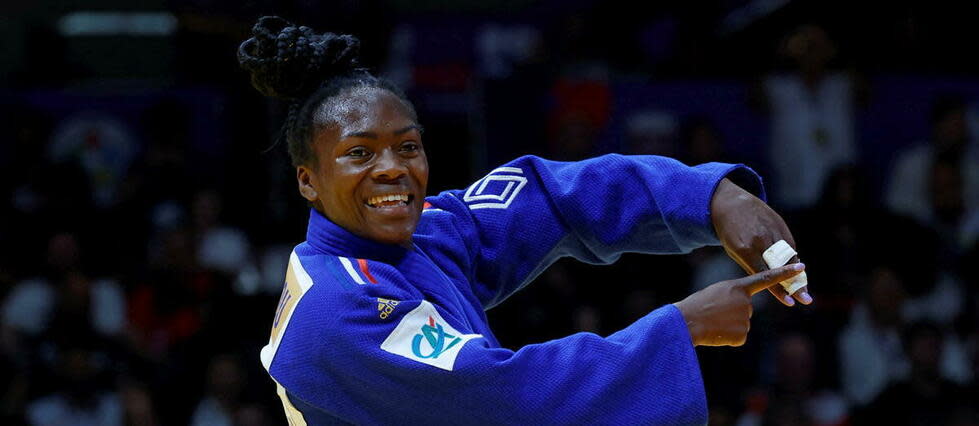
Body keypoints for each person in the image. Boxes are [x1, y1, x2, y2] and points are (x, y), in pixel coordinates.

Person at [239, 16, 812, 425]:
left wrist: (712, 197)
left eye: (407, 147)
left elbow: (549, 198)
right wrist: (680, 327)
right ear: (308, 181)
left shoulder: (426, 234)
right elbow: (500, 398)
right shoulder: (337, 306)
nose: (392, 169)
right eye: (359, 154)